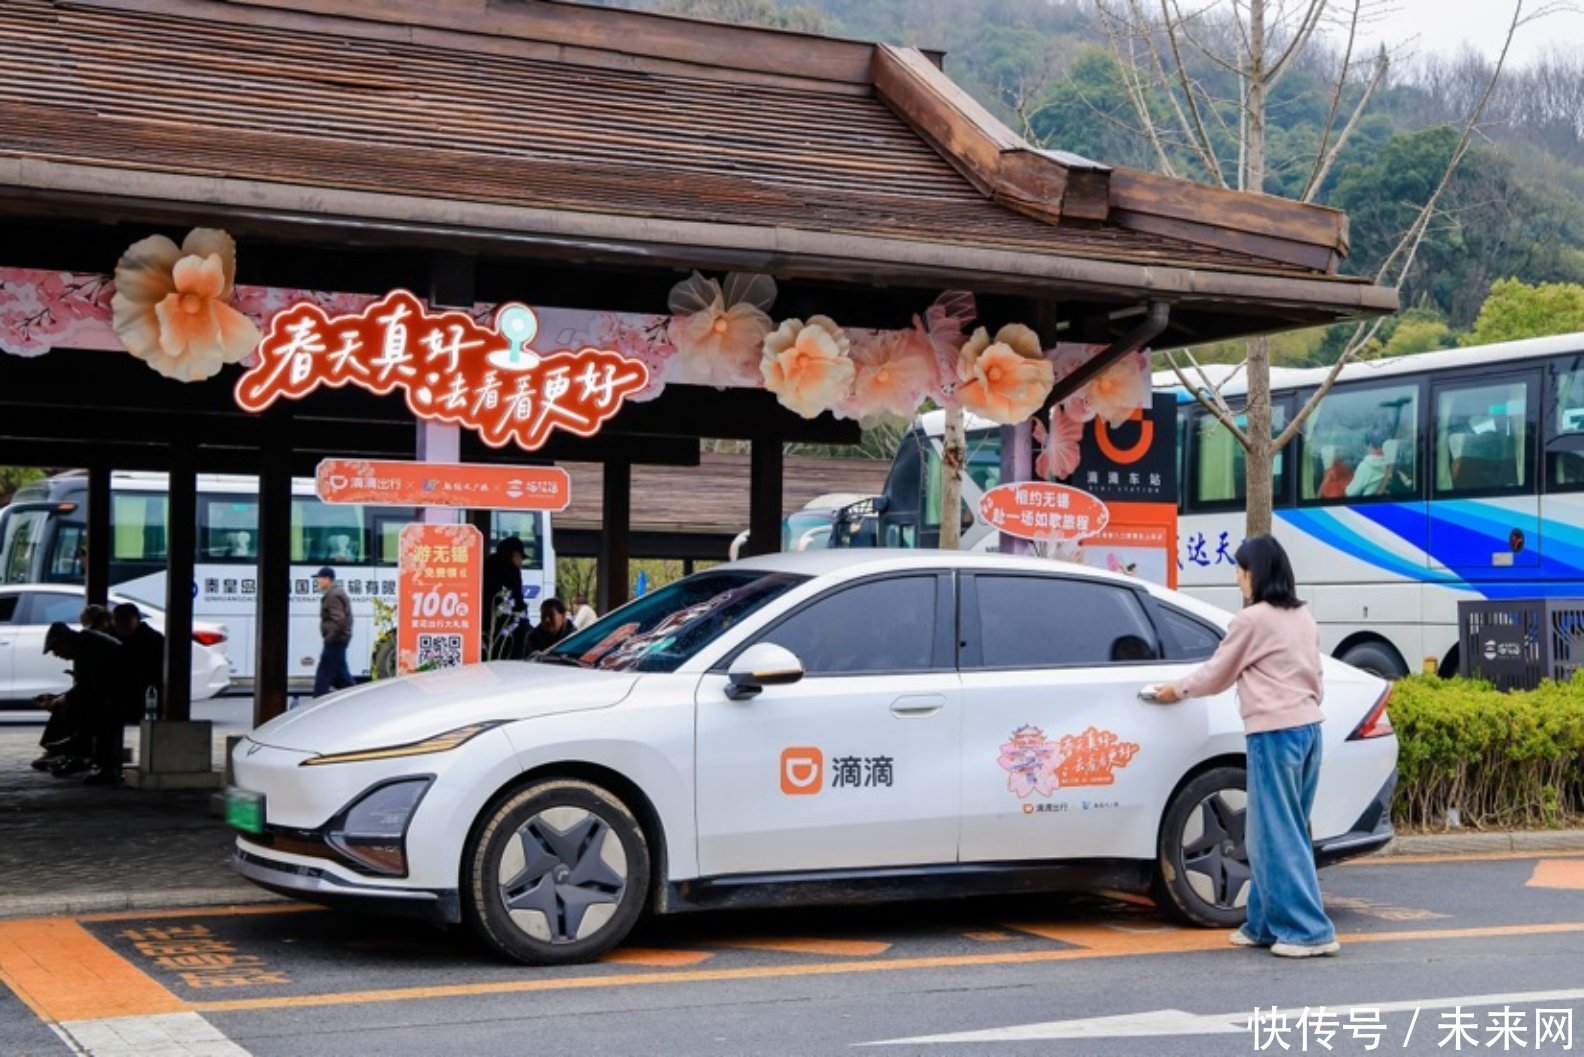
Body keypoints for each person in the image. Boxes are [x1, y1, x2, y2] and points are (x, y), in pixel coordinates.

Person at [1151, 536, 1338, 959]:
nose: (1238, 578)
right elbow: (1316, 675)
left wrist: (1175, 690)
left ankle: (1310, 932)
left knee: (1276, 836)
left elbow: (1217, 673)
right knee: (1273, 833)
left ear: (1257, 573)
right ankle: (1263, 924)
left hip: (1274, 733)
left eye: (1241, 569)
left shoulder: (1251, 620)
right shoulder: (1302, 616)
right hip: (1309, 729)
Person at [36, 621, 125, 785]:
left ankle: (91, 758)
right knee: (73, 703)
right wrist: (59, 698)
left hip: (122, 694)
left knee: (86, 707)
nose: (56, 655)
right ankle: (77, 752)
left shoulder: (86, 647)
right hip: (114, 691)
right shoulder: (84, 643)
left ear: (64, 641)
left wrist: (60, 699)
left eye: (55, 649)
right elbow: (87, 684)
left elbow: (86, 686)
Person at [112, 602, 165, 720]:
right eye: (117, 620)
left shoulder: (152, 640)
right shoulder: (116, 638)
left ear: (137, 619)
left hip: (144, 696)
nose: (120, 624)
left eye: (125, 620)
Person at [482, 537, 528, 658]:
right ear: (513, 555)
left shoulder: (485, 566)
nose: (521, 563)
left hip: (485, 627)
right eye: (520, 558)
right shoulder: (511, 571)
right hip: (505, 630)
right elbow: (517, 602)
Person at [313, 566, 355, 696]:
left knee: (323, 675)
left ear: (328, 579)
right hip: (338, 640)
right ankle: (357, 697)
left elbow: (339, 620)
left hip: (335, 641)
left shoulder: (332, 595)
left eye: (320, 578)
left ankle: (317, 701)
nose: (318, 581)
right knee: (340, 676)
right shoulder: (335, 593)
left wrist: (330, 638)